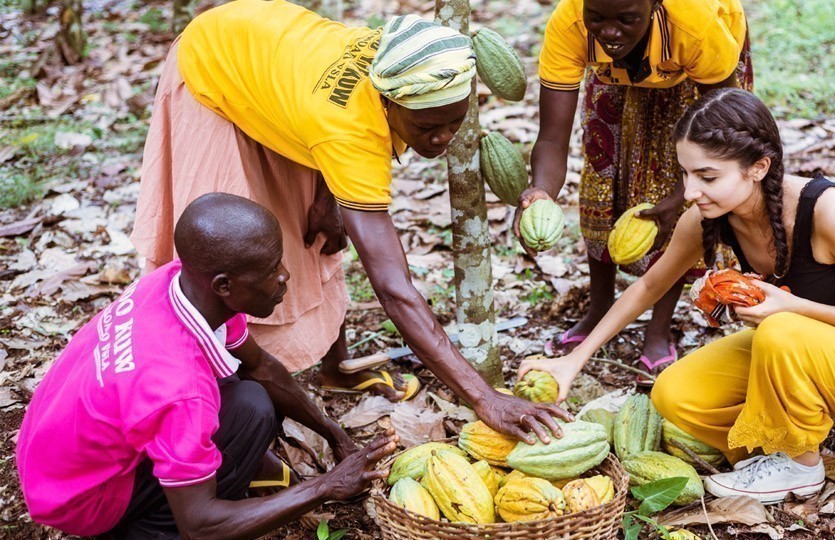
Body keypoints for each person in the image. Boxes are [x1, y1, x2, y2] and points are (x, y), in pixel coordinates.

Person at [130, 0, 573, 439]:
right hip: (214, 63)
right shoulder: (348, 132)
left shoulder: (407, 53)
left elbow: (332, 113)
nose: (442, 138)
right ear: (387, 102)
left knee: (319, 224)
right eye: (425, 128)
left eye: (454, 123)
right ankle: (230, 410)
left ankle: (336, 367)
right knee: (235, 243)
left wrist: (330, 193)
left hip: (281, 65)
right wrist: (484, 397)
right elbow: (393, 289)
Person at [519, 89, 835, 503]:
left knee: (780, 329)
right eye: (685, 173)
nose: (689, 191)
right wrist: (574, 360)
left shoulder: (827, 212)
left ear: (758, 167)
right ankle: (785, 435)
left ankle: (801, 468)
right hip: (807, 351)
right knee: (674, 395)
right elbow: (649, 286)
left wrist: (792, 307)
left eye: (708, 177)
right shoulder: (705, 218)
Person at [17, 194, 400, 539]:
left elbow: (262, 367)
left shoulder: (177, 285)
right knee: (243, 424)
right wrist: (326, 486)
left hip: (54, 456)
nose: (284, 275)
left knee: (251, 400)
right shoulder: (179, 389)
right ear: (223, 285)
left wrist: (334, 434)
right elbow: (200, 525)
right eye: (269, 270)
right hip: (82, 498)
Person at [514, 0, 752, 382]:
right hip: (614, 76)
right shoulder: (571, 24)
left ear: (654, 6)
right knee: (601, 176)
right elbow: (552, 138)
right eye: (598, 18)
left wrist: (679, 197)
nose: (609, 31)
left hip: (695, 82)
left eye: (626, 19)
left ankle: (659, 326)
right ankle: (600, 306)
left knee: (675, 197)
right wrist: (540, 192)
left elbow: (720, 128)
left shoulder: (694, 26)